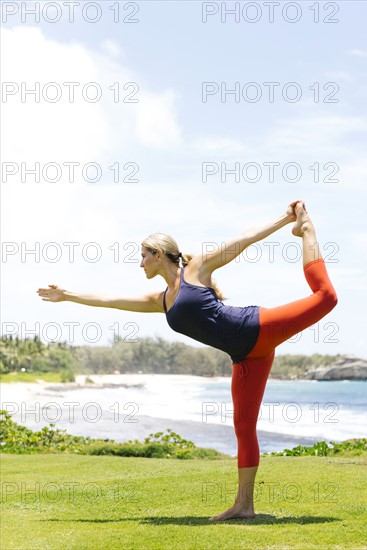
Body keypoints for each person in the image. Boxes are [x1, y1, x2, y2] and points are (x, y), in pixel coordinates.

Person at [37, 200, 338, 521]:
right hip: (246, 356)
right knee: (243, 425)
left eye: (142, 256)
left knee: (326, 297)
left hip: (256, 327)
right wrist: (68, 295)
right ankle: (244, 505)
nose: (140, 264)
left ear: (157, 254)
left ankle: (307, 229)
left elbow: (244, 239)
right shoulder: (161, 300)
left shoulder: (196, 270)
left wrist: (285, 218)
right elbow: (110, 300)